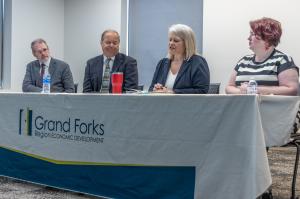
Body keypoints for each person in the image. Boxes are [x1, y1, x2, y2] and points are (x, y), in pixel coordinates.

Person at [225, 17, 299, 95]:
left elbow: (292, 90)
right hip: (243, 106)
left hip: (269, 107)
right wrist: (243, 92)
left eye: (252, 34)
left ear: (267, 37)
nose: (248, 38)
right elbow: (229, 87)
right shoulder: (243, 61)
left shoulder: (283, 60)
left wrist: (255, 89)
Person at [149, 24, 210, 94]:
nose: (171, 43)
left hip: (187, 104)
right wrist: (156, 89)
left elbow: (202, 90)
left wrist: (173, 92)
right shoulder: (162, 63)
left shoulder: (198, 62)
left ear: (187, 43)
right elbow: (151, 89)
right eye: (170, 40)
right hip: (163, 104)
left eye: (176, 40)